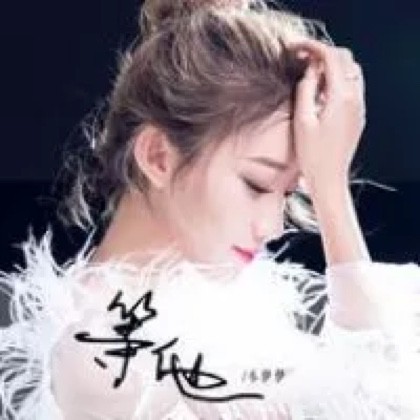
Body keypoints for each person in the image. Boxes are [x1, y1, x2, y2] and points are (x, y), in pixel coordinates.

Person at [1, 0, 419, 418]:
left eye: (289, 193)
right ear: (158, 157)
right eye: (256, 184)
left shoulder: (256, 306)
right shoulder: (99, 355)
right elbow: (381, 407)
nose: (273, 227)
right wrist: (330, 190)